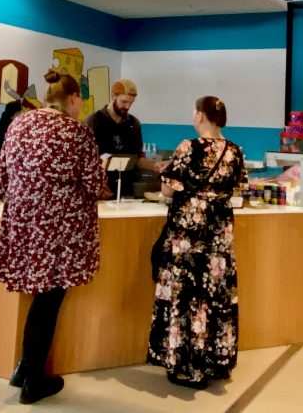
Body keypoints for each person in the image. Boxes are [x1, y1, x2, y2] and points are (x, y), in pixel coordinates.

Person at [0, 69, 107, 404]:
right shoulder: (77, 133)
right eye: (80, 101)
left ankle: (24, 369)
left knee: (39, 299)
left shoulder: (19, 125)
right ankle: (34, 381)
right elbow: (95, 185)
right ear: (72, 99)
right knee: (49, 300)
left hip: (23, 227)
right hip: (59, 232)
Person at [147, 96, 246, 389]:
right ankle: (216, 360)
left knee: (185, 295)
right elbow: (239, 192)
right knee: (215, 295)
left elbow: (167, 190)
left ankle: (188, 364)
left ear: (201, 115)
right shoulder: (235, 151)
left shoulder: (188, 147)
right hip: (219, 236)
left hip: (187, 237)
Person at [85, 79, 155, 197]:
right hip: (101, 188)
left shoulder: (134, 124)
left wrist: (154, 166)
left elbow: (139, 158)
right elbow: (86, 160)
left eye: (131, 103)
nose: (127, 106)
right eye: (124, 102)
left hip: (126, 188)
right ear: (113, 96)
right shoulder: (94, 121)